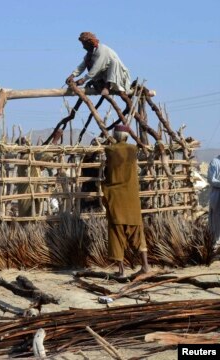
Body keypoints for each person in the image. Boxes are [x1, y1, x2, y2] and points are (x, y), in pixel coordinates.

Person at [102, 125, 150, 276]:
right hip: (131, 197)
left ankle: (121, 270)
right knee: (137, 231)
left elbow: (107, 171)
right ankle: (145, 265)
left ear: (115, 135)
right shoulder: (133, 149)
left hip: (116, 196)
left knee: (116, 232)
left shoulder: (110, 150)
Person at [65, 32, 131, 96]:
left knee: (114, 61)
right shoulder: (90, 54)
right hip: (104, 75)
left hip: (117, 74)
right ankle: (100, 83)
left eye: (84, 44)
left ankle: (107, 86)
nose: (83, 47)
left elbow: (97, 67)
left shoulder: (101, 50)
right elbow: (82, 65)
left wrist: (83, 80)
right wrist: (72, 75)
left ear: (89, 43)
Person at [208, 154, 220, 248]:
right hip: (217, 196)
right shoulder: (215, 162)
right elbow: (211, 179)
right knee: (217, 221)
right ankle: (216, 245)